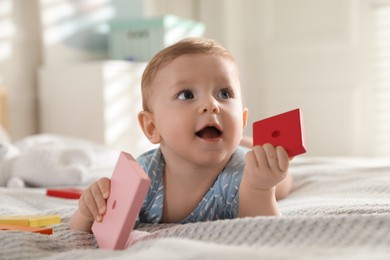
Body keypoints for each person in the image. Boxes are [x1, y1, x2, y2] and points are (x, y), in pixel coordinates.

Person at [70, 37, 293, 232]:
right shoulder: (145, 176)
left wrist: (261, 188)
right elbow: (89, 230)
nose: (211, 104)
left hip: (251, 168)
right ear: (152, 127)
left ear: (242, 120)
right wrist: (88, 211)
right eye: (186, 94)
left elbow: (263, 229)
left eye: (224, 93)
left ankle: (253, 148)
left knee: (277, 175)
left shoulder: (242, 174)